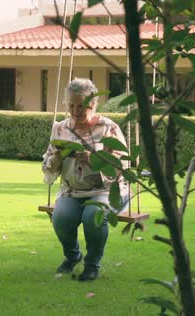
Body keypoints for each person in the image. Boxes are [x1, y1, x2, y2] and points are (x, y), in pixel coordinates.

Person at [42, 78, 129, 282]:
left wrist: (95, 159)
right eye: (71, 105)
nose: (75, 110)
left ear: (92, 104)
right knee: (61, 218)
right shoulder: (60, 129)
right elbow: (47, 165)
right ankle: (73, 256)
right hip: (72, 190)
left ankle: (91, 265)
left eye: (80, 106)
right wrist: (57, 157)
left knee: (94, 216)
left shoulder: (108, 128)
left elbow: (123, 166)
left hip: (105, 191)